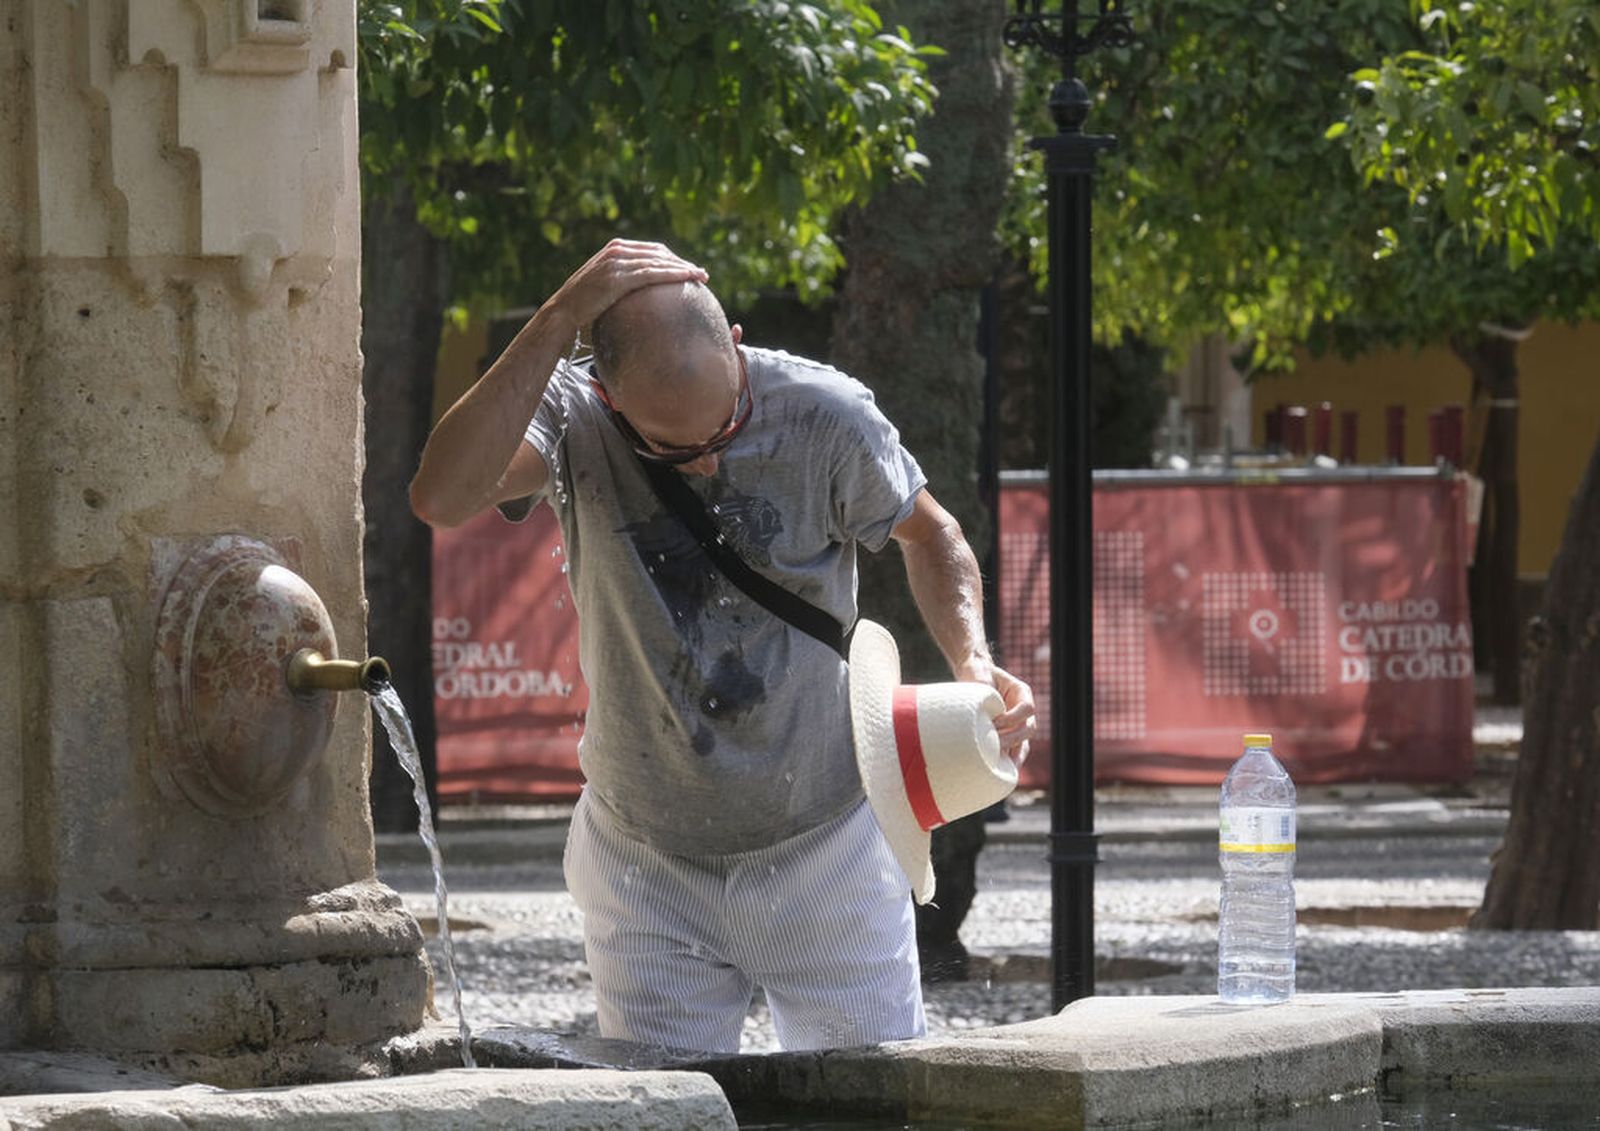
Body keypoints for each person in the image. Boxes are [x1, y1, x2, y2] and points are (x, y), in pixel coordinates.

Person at [410, 238, 1035, 1053]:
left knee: (873, 1101)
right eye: (671, 450)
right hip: (645, 863)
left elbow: (933, 533)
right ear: (608, 394)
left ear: (736, 343)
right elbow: (441, 497)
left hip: (826, 843)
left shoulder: (826, 411)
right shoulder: (570, 413)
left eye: (726, 425)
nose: (706, 461)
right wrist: (558, 317)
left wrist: (973, 661)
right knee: (669, 1105)